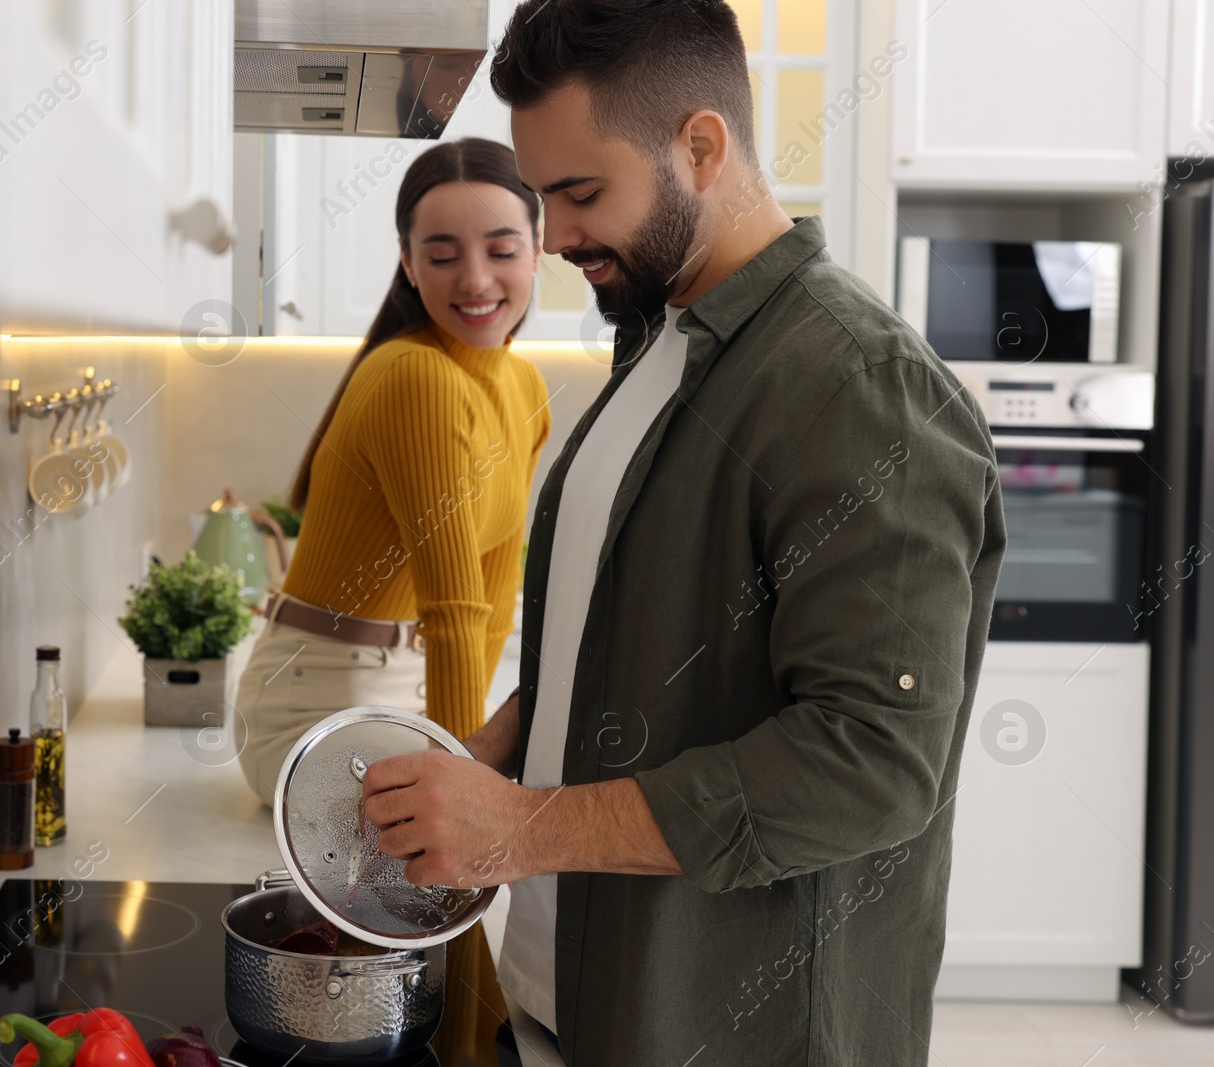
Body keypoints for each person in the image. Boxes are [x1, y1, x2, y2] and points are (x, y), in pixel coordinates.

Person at [359, 3, 1007, 1066]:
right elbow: (624, 631)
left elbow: (872, 761)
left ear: (701, 147)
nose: (556, 235)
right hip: (580, 1003)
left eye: (580, 193)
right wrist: (504, 749)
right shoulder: (656, 346)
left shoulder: (859, 386)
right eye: (545, 196)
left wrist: (522, 827)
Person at [233, 137, 553, 810]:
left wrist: (465, 753)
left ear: (537, 248)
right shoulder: (415, 376)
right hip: (315, 701)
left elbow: (494, 601)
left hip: (405, 687)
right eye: (442, 254)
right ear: (408, 263)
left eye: (501, 250)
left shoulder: (524, 388)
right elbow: (453, 607)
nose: (474, 279)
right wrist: (460, 785)